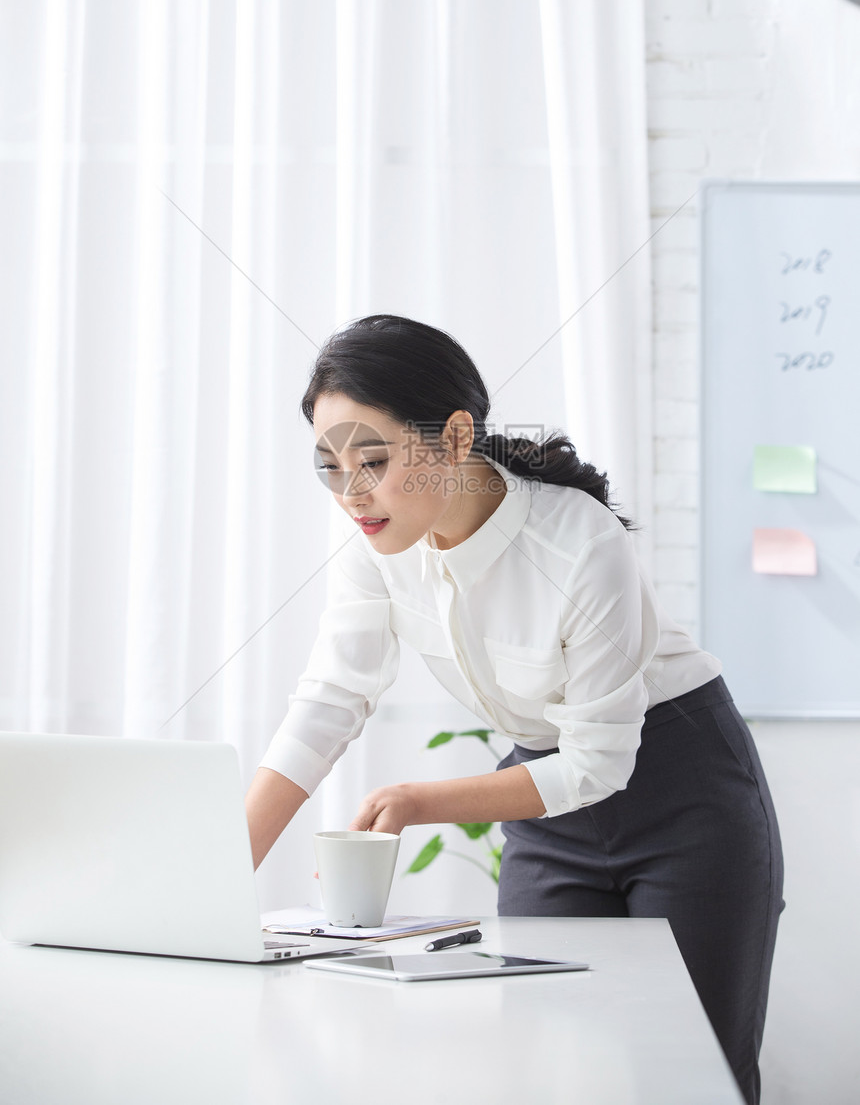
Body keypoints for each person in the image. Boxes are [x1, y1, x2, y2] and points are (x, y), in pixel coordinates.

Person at [245, 313, 783, 1105]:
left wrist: (416, 799)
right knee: (550, 1069)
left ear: (454, 437)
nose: (351, 492)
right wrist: (222, 878)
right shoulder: (377, 551)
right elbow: (329, 701)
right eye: (330, 465)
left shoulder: (579, 543)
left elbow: (602, 759)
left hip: (684, 790)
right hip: (547, 799)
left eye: (374, 459)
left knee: (692, 1080)